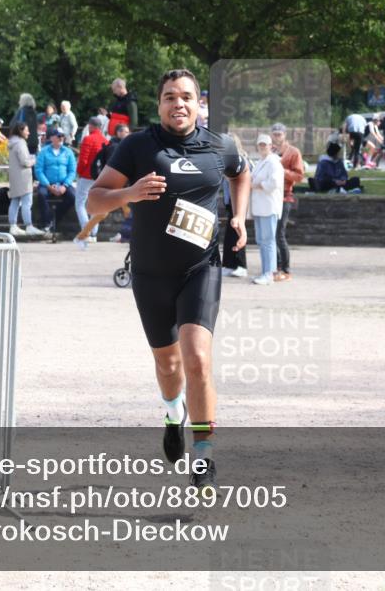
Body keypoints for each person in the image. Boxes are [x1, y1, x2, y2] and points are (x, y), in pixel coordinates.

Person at [86, 69, 250, 495]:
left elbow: (241, 173)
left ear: (199, 104)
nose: (179, 104)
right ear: (159, 104)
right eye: (170, 97)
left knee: (197, 359)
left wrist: (238, 215)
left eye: (187, 97)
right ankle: (173, 413)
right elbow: (94, 200)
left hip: (201, 268)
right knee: (169, 365)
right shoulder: (137, 146)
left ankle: (204, 457)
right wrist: (129, 193)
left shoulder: (220, 145)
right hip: (150, 273)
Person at [83, 124, 132, 244]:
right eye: (125, 132)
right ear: (118, 133)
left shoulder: (118, 145)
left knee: (123, 211)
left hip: (118, 186)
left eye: (128, 132)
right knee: (107, 212)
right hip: (115, 186)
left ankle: (124, 235)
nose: (127, 134)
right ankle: (85, 234)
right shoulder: (115, 147)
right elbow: (114, 168)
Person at [248, 134, 284, 285]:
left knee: (268, 241)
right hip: (259, 207)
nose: (262, 147)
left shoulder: (273, 162)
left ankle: (269, 274)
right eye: (260, 144)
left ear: (270, 146)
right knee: (261, 241)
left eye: (265, 144)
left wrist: (257, 185)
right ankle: (265, 272)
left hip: (269, 207)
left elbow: (274, 183)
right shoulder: (260, 162)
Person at [271, 123, 304, 282]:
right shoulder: (270, 151)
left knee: (280, 233)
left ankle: (286, 269)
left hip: (285, 196)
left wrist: (282, 170)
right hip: (271, 196)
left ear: (285, 135)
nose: (277, 137)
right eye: (275, 134)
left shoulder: (293, 152)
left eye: (279, 134)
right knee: (272, 234)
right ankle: (276, 267)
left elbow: (299, 176)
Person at [73, 117, 109, 248]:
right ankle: (94, 232)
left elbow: (83, 160)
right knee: (96, 204)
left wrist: (79, 172)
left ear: (90, 126)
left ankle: (86, 230)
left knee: (80, 203)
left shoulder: (88, 139)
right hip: (100, 177)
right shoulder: (105, 141)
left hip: (86, 175)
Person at [35, 127, 77, 236]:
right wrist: (48, 185)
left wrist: (65, 185)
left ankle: (54, 218)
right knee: (41, 195)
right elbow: (39, 170)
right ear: (51, 138)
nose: (61, 138)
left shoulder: (68, 152)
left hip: (63, 183)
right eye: (59, 136)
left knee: (73, 197)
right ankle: (46, 222)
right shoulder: (43, 151)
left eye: (62, 136)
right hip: (47, 183)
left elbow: (72, 171)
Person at [6, 121, 44, 237]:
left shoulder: (13, 143)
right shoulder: (21, 143)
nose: (28, 133)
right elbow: (25, 162)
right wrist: (34, 159)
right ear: (21, 131)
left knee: (15, 200)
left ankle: (13, 226)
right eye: (26, 130)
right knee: (27, 201)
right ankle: (29, 226)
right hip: (23, 177)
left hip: (15, 176)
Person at [222, 134, 249, 278]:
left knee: (238, 234)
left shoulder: (241, 159)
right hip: (229, 202)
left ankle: (241, 265)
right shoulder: (225, 159)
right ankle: (229, 264)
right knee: (229, 237)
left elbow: (244, 179)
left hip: (238, 204)